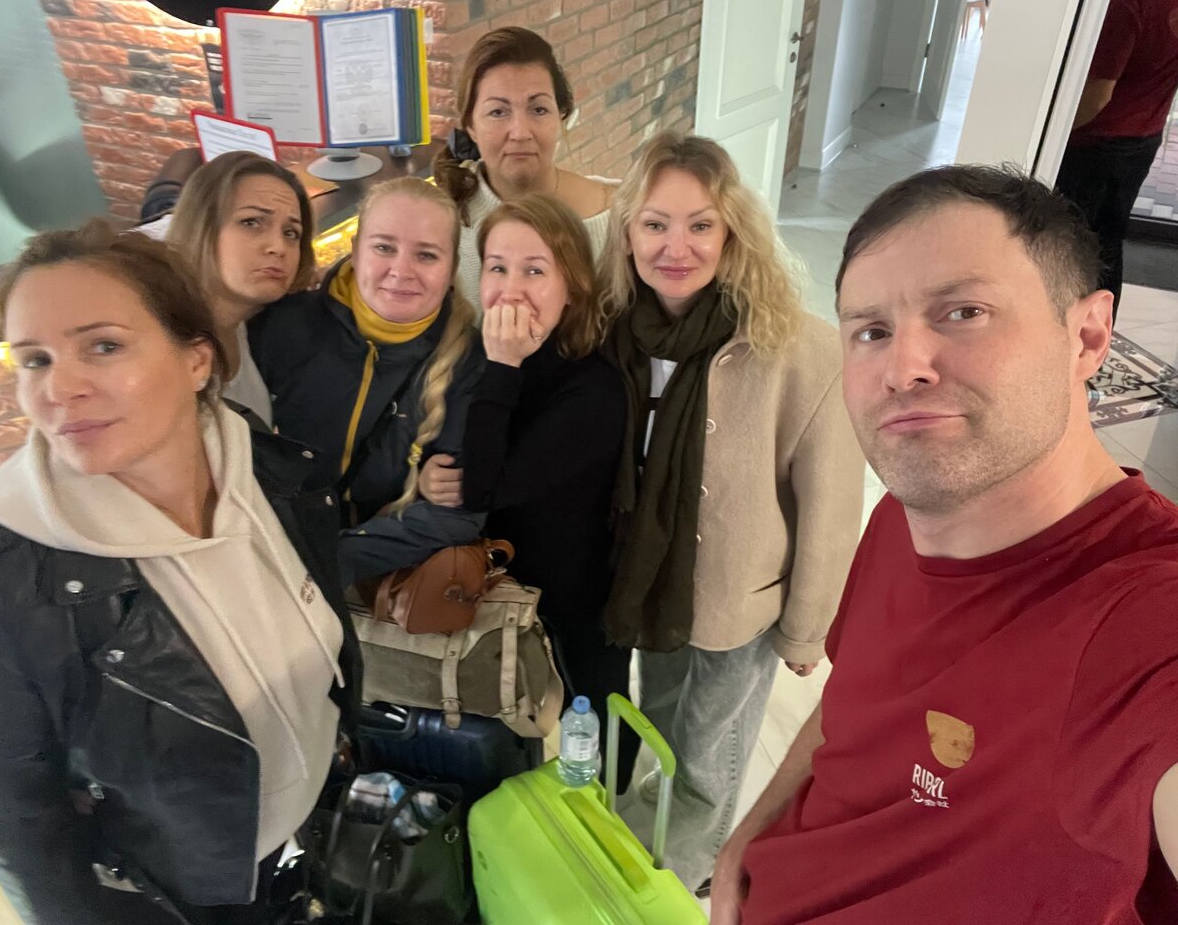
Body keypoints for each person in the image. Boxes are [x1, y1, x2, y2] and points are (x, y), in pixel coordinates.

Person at [712, 165, 1178, 925]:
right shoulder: (900, 517)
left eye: (964, 312)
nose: (904, 369)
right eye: (872, 331)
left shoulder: (1143, 625)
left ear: (1088, 336)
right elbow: (853, 704)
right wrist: (750, 834)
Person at [0, 222, 362, 925]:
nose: (60, 388)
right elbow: (24, 839)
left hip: (316, 844)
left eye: (103, 346)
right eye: (33, 359)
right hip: (185, 901)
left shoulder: (276, 474)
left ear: (197, 360)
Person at [598, 131, 865, 891]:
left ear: (732, 232)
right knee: (662, 724)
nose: (675, 246)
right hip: (650, 585)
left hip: (738, 603)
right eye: (655, 224)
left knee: (708, 758)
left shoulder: (800, 350)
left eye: (700, 224)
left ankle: (679, 883)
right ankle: (654, 843)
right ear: (628, 233)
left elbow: (830, 505)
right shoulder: (616, 330)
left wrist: (806, 628)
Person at [420, 192, 639, 788]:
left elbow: (482, 487)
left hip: (574, 601)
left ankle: (611, 812)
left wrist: (503, 366)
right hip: (500, 593)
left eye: (535, 271)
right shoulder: (482, 357)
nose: (511, 290)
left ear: (573, 288)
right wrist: (429, 474)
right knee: (510, 726)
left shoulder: (593, 388)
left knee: (595, 728)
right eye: (498, 267)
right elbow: (459, 455)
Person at [248, 176, 485, 586]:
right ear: (356, 251)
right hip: (263, 564)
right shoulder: (281, 326)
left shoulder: (469, 361)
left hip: (361, 581)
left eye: (426, 255)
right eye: (384, 248)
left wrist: (327, 565)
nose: (401, 271)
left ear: (451, 270)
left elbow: (458, 513)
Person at [433, 26, 616, 309]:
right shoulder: (443, 221)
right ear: (470, 126)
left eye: (538, 109)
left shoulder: (615, 216)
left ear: (561, 116)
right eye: (498, 112)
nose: (520, 132)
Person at [1054, 0, 1178, 319]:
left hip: (1096, 144)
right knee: (1108, 240)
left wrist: (1053, 136)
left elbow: (1098, 96)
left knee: (1071, 244)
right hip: (1145, 137)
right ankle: (1099, 330)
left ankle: (1068, 330)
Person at [168, 150, 318, 427]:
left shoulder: (249, 323)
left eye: (291, 233)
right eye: (251, 223)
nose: (278, 247)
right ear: (202, 226)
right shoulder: (166, 351)